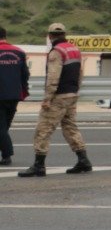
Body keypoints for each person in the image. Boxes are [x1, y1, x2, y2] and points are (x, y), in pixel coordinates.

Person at [19, 22, 91, 177]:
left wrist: (47, 98)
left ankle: (39, 165)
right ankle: (83, 160)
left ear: (50, 36)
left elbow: (53, 77)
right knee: (70, 128)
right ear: (65, 34)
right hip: (71, 94)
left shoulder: (56, 52)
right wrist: (75, 89)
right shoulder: (74, 49)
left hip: (58, 97)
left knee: (43, 129)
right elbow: (80, 72)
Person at [0, 25, 29, 167]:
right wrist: (23, 92)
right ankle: (5, 152)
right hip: (14, 95)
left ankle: (7, 155)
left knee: (1, 128)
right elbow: (25, 75)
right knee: (4, 127)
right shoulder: (19, 52)